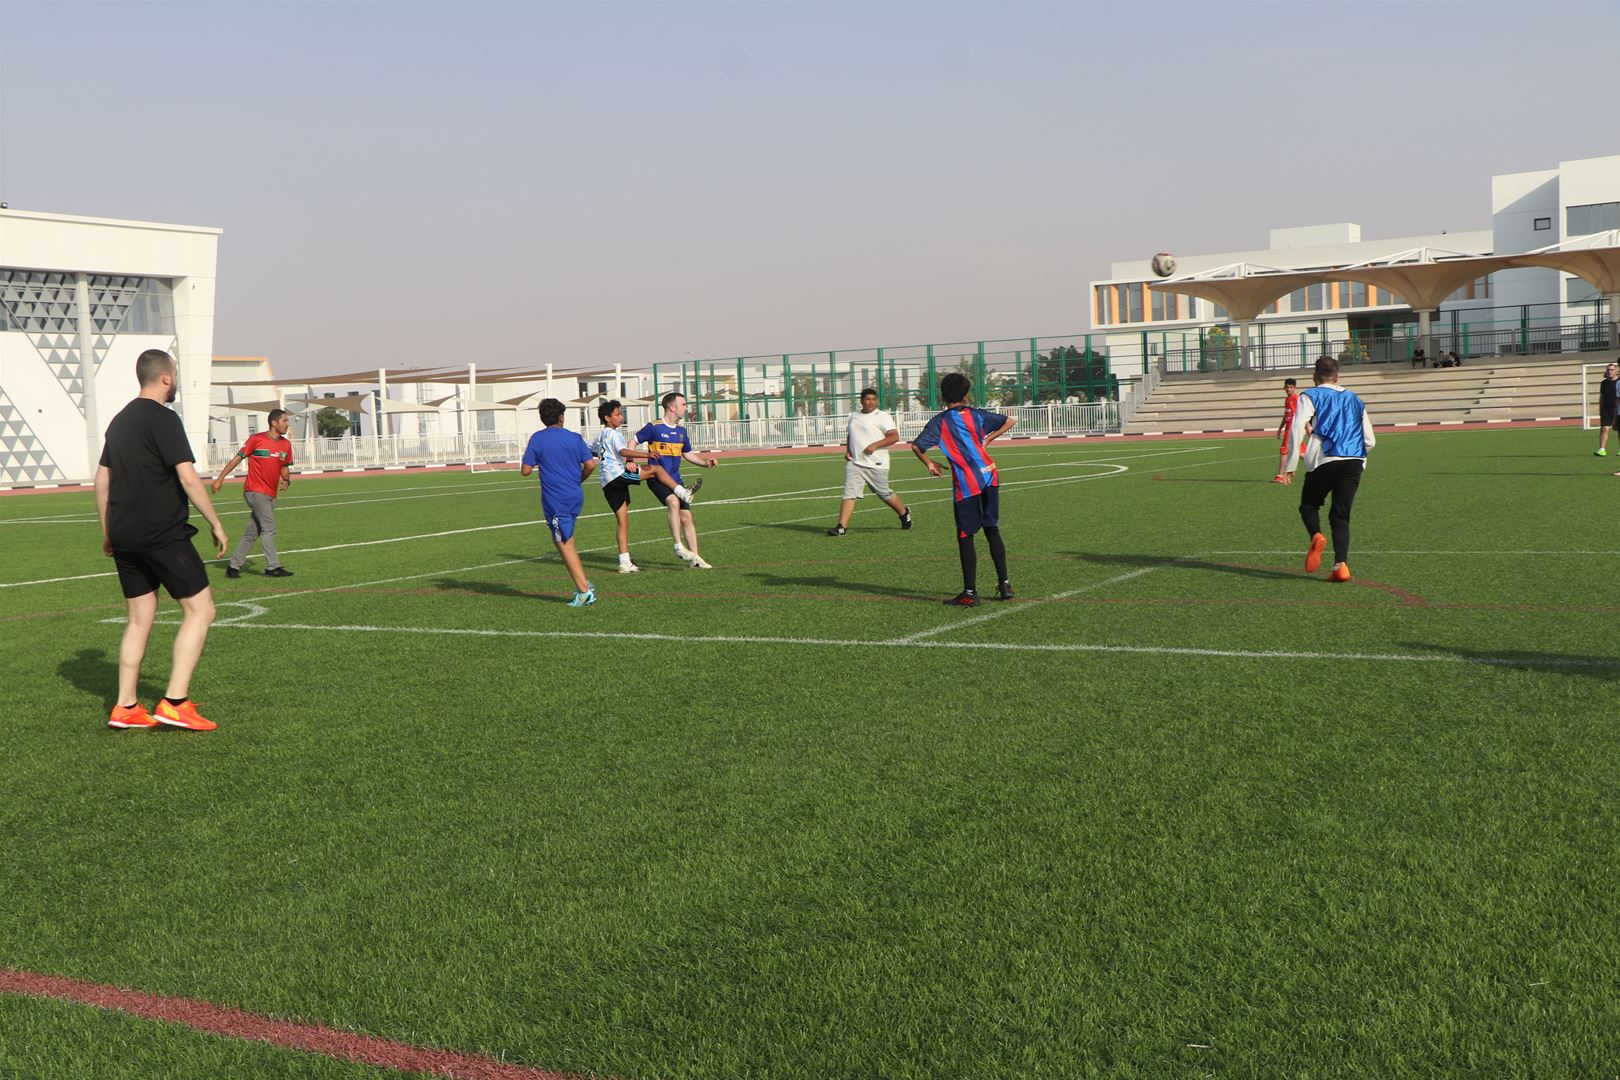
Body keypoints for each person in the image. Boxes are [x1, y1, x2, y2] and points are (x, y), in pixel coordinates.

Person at [96, 349, 230, 732]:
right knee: (201, 611)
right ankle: (174, 702)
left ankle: (126, 707)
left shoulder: (119, 422)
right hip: (161, 533)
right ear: (166, 377)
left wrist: (107, 530)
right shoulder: (163, 418)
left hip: (124, 532)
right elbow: (188, 478)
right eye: (175, 375)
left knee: (139, 619)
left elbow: (103, 479)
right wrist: (216, 522)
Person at [911, 372, 1016, 606]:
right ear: (966, 396)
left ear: (942, 397)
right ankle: (1005, 584)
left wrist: (930, 463)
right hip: (990, 475)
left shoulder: (940, 422)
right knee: (992, 529)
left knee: (965, 535)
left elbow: (917, 446)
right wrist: (987, 440)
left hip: (967, 483)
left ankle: (969, 593)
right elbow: (1010, 420)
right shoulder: (977, 416)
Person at [1282, 355, 1376, 583]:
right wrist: (1358, 458)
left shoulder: (1310, 395)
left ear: (1314, 377)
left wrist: (1291, 463)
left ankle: (1316, 535)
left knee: (1309, 505)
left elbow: (1296, 427)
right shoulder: (1355, 398)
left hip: (1325, 459)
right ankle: (1340, 566)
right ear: (1338, 377)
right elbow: (1370, 440)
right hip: (1353, 461)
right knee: (1341, 515)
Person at [589, 399, 701, 574]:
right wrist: (645, 454)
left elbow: (591, 450)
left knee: (623, 521)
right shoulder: (613, 433)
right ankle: (682, 492)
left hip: (606, 481)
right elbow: (623, 451)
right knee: (656, 469)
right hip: (617, 474)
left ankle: (624, 562)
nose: (621, 417)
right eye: (618, 414)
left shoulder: (599, 435)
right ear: (607, 418)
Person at [520, 398, 599, 606]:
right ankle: (585, 584)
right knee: (568, 539)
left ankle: (583, 591)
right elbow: (590, 465)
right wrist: (578, 479)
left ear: (542, 418)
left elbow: (525, 471)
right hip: (575, 495)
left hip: (555, 499)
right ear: (561, 416)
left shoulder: (537, 439)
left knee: (563, 542)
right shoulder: (574, 438)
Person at [631, 391, 718, 569]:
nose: (686, 408)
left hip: (676, 479)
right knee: (673, 502)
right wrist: (630, 460)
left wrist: (704, 463)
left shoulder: (681, 431)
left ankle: (696, 559)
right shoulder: (654, 427)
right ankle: (678, 546)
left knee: (687, 517)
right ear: (672, 407)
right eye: (684, 404)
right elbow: (632, 442)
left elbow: (687, 454)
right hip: (657, 479)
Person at [211, 407, 294, 578]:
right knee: (269, 527)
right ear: (274, 423)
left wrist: (286, 480)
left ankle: (233, 567)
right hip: (255, 491)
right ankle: (272, 567)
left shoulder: (286, 444)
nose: (288, 424)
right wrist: (220, 478)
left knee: (252, 532)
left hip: (271, 494)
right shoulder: (256, 439)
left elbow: (284, 466)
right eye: (285, 421)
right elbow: (237, 459)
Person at [827, 388, 912, 536]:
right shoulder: (854, 416)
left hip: (876, 463)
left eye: (873, 399)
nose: (871, 402)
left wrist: (874, 445)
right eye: (867, 399)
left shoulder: (882, 416)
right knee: (849, 493)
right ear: (861, 401)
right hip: (855, 463)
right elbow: (851, 434)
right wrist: (848, 450)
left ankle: (904, 512)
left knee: (883, 493)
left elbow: (894, 436)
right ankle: (841, 527)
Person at [1271, 377, 1300, 484]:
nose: (1288, 389)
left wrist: (1306, 428)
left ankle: (1280, 476)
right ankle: (1318, 468)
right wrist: (1280, 429)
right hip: (1290, 428)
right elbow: (1286, 415)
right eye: (1287, 387)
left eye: (1291, 387)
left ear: (1295, 388)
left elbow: (1298, 414)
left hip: (1292, 429)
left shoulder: (1295, 398)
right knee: (1301, 452)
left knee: (1284, 451)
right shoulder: (1287, 399)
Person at [1596, 362, 1618, 457]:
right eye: (1608, 369)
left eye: (1612, 370)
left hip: (1618, 409)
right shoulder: (1604, 383)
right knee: (1604, 428)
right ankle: (1602, 449)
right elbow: (1602, 396)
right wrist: (1600, 409)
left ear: (1616, 371)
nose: (1609, 371)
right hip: (1606, 409)